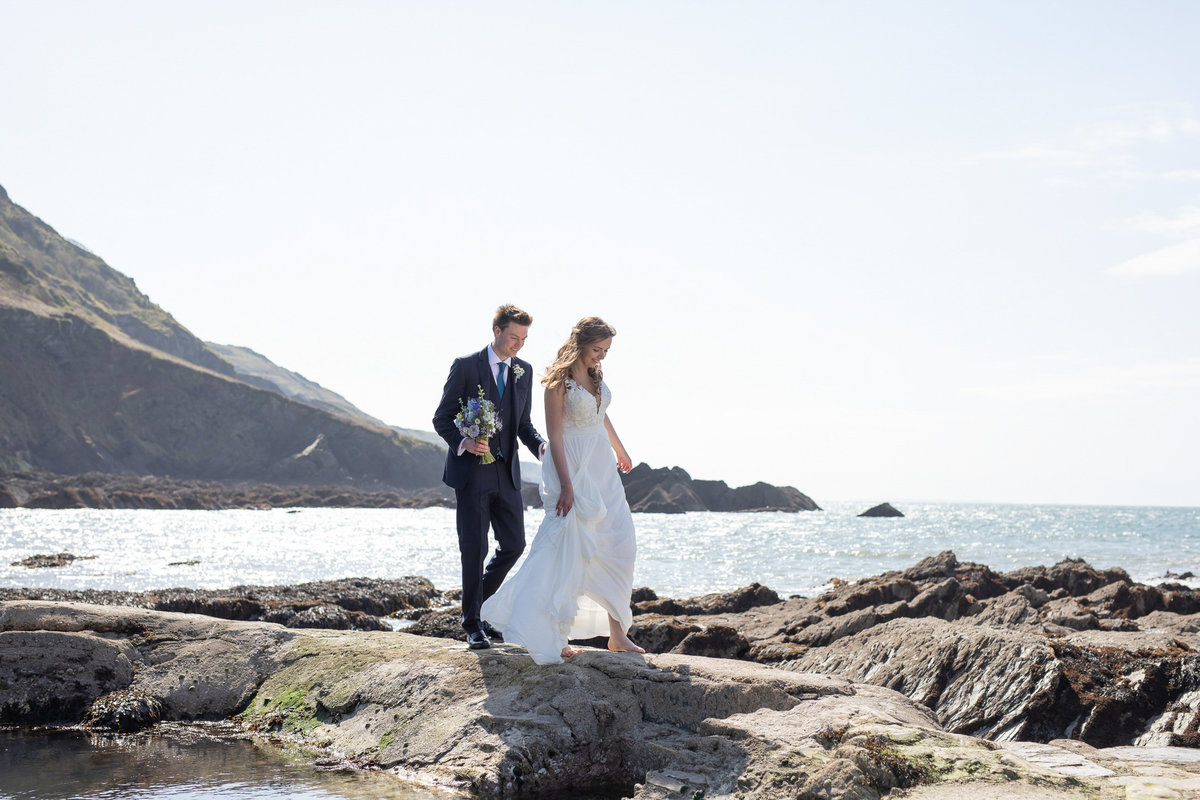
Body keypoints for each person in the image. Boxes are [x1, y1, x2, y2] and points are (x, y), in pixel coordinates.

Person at [481, 316, 645, 664]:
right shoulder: (557, 381)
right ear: (580, 344)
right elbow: (554, 435)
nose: (602, 356)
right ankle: (555, 634)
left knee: (620, 542)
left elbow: (601, 414)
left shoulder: (596, 376)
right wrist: (567, 485)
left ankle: (618, 635)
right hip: (571, 465)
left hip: (603, 467)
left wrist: (620, 448)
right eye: (597, 349)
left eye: (606, 351)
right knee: (567, 549)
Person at [433, 304, 546, 650]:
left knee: (514, 545)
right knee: (474, 548)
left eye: (524, 339)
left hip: (507, 473)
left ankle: (479, 607)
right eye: (514, 337)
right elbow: (442, 418)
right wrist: (464, 441)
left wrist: (542, 448)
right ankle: (472, 624)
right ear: (496, 331)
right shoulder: (466, 367)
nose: (518, 345)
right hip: (472, 475)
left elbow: (523, 426)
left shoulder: (523, 371)